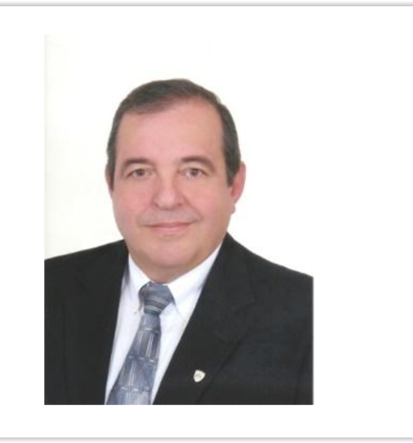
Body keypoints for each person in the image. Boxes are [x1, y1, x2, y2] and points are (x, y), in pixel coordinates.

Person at [45, 79, 313, 405]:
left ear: (234, 185)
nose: (167, 198)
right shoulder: (47, 288)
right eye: (140, 172)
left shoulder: (308, 319)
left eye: (193, 171)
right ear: (111, 184)